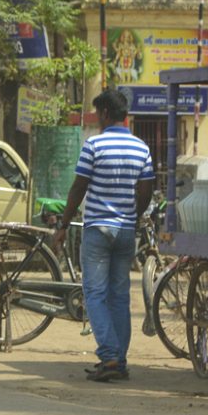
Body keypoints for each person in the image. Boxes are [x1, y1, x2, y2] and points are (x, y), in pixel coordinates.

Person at [52, 89, 154, 382]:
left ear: (106, 114)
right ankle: (119, 360)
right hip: (125, 231)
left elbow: (78, 187)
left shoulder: (94, 145)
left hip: (97, 229)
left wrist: (63, 224)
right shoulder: (141, 148)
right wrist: (134, 214)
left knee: (95, 294)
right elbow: (146, 190)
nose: (96, 120)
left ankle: (109, 356)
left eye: (97, 115)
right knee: (120, 297)